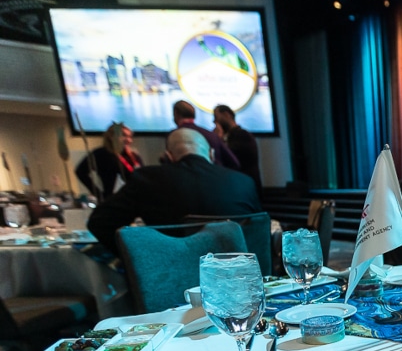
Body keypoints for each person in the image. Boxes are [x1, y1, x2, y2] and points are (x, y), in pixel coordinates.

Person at [87, 128, 262, 254]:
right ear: (211, 154)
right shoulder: (244, 182)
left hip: (169, 284)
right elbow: (257, 233)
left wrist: (138, 258)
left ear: (168, 156)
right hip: (237, 281)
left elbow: (99, 222)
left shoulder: (146, 179)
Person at [74, 122, 143, 201]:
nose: (128, 140)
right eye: (123, 135)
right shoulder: (101, 154)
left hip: (135, 198)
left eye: (130, 137)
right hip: (113, 199)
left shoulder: (134, 156)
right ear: (111, 136)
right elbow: (80, 172)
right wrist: (98, 193)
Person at [171, 100, 241, 171]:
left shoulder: (172, 137)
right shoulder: (213, 136)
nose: (214, 121)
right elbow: (234, 163)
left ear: (176, 113)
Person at [213, 104, 262, 192]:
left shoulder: (244, 136)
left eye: (216, 117)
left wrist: (219, 139)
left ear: (226, 115)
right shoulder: (231, 136)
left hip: (245, 189)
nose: (214, 121)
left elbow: (228, 156)